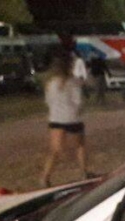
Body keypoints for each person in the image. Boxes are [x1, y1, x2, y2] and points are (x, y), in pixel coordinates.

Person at [41, 52, 88, 187]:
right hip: (72, 118)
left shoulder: (50, 83)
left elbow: (48, 101)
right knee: (79, 146)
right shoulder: (74, 82)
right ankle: (84, 172)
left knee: (54, 150)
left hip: (56, 119)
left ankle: (45, 177)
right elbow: (78, 101)